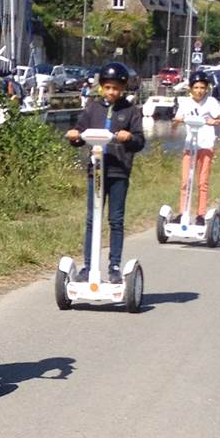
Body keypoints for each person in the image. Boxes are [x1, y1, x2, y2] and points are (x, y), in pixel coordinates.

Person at [64, 61, 145, 283]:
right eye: (108, 87)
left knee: (116, 220)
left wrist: (129, 138)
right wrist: (74, 136)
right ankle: (89, 266)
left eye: (116, 88)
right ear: (102, 87)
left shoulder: (130, 111)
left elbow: (140, 141)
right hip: (96, 171)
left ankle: (115, 267)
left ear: (123, 88)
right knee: (92, 219)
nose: (111, 92)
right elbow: (80, 134)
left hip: (118, 171)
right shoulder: (92, 108)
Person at [171, 71, 220, 221]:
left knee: (202, 181)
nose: (199, 91)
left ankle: (201, 214)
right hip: (190, 146)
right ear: (190, 88)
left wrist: (213, 121)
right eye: (196, 87)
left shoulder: (211, 102)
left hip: (206, 145)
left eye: (202, 87)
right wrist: (177, 121)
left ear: (206, 88)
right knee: (186, 181)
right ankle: (183, 212)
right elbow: (175, 123)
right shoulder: (185, 103)